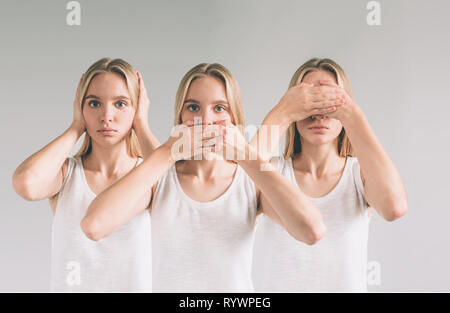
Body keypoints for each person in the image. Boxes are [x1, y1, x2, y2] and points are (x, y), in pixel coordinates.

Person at [81, 63, 328, 292]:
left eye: (219, 108)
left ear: (235, 119)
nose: (206, 120)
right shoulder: (160, 180)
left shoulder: (248, 182)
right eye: (193, 107)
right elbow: (94, 226)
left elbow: (312, 231)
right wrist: (168, 151)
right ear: (180, 117)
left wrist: (244, 154)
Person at [251, 58, 408, 292]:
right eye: (309, 102)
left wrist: (353, 115)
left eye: (328, 101)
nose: (319, 115)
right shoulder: (273, 172)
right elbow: (236, 187)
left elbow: (393, 207)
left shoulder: (359, 175)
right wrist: (282, 112)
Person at [12, 58, 159, 292]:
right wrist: (75, 127)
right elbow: (26, 183)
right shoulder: (66, 175)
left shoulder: (147, 177)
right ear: (81, 107)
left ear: (137, 107)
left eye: (120, 103)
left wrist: (142, 126)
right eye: (94, 103)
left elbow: (174, 186)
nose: (106, 116)